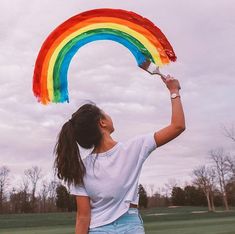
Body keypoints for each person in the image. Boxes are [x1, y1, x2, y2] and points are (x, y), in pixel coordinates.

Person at [53, 74, 185, 234]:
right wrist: (174, 90)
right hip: (130, 227)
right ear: (102, 122)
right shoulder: (135, 148)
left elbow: (83, 217)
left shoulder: (79, 168)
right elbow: (178, 126)